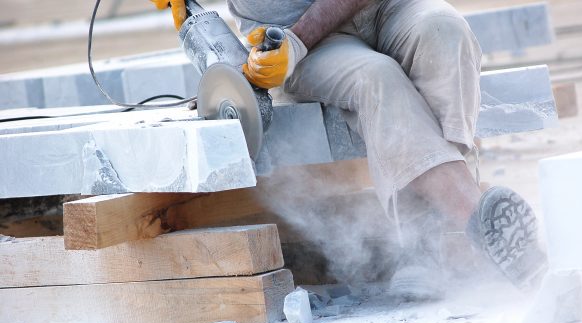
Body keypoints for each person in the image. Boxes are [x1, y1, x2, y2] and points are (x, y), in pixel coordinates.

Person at [151, 0, 548, 299]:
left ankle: (436, 236)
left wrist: (296, 41)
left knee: (446, 32)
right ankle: (470, 227)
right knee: (377, 78)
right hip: (290, 39)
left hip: (379, 10)